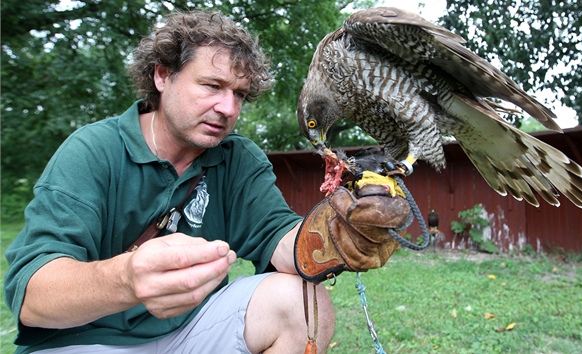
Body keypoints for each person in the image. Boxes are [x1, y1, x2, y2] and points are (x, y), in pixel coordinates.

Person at [4, 9, 409, 354]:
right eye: (212, 86)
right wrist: (126, 280)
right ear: (163, 76)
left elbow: (278, 235)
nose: (227, 107)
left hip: (189, 334)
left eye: (240, 94)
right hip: (86, 340)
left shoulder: (238, 158)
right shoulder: (94, 150)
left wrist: (338, 236)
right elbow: (32, 296)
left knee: (301, 303)